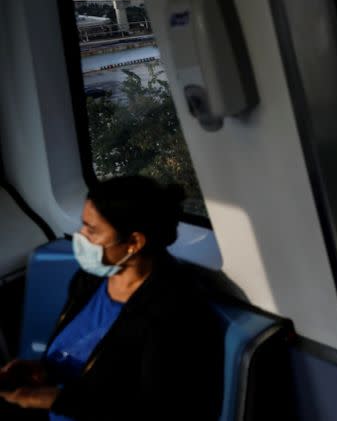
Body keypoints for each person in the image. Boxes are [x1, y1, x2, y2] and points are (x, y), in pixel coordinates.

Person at [0, 176, 223, 420]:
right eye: (83, 225)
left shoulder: (174, 312)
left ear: (134, 242)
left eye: (92, 230)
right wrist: (45, 372)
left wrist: (56, 399)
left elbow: (155, 410)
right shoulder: (90, 280)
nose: (81, 237)